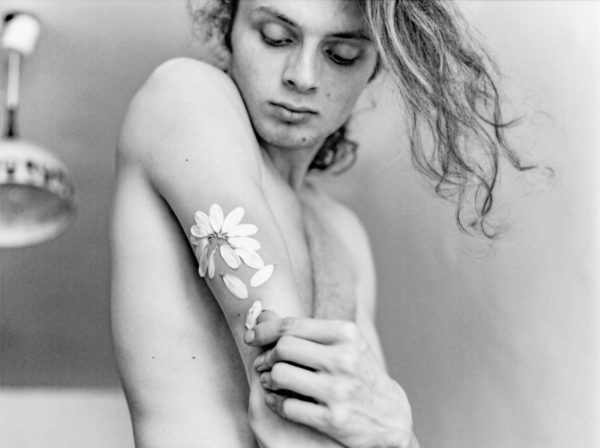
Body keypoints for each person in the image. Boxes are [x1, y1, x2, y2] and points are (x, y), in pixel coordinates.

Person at [111, 1, 528, 446]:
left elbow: (361, 422)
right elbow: (285, 415)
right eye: (275, 36)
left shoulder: (344, 236)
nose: (303, 76)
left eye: (341, 54)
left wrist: (397, 435)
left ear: (374, 67)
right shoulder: (186, 95)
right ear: (228, 24)